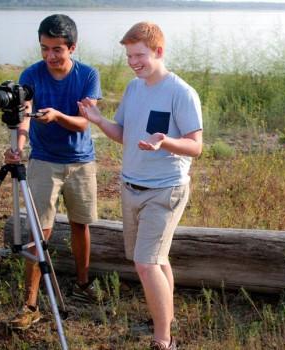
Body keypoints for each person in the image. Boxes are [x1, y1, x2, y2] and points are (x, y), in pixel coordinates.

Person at [78, 22, 202, 350]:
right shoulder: (134, 89)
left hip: (165, 190)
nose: (134, 61)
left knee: (146, 264)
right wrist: (99, 120)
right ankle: (168, 318)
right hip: (131, 186)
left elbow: (196, 146)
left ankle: (164, 340)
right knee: (156, 260)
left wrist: (167, 143)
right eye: (129, 55)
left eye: (140, 55)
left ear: (158, 52)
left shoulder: (181, 92)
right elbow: (124, 134)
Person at [5, 14, 102, 330]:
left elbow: (85, 123)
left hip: (81, 161)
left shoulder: (88, 75)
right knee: (39, 229)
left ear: (72, 47)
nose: (49, 56)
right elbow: (24, 114)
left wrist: (59, 116)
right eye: (44, 48)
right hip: (44, 161)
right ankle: (30, 303)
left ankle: (83, 283)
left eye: (56, 49)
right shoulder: (31, 74)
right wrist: (18, 144)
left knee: (80, 225)